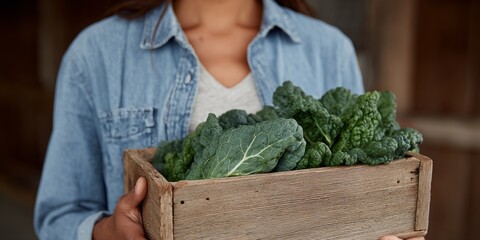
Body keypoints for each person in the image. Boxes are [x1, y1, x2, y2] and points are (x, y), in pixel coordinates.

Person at [33, 0, 425, 239]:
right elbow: (57, 217)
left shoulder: (329, 50)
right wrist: (106, 234)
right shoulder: (96, 54)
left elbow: (362, 191)